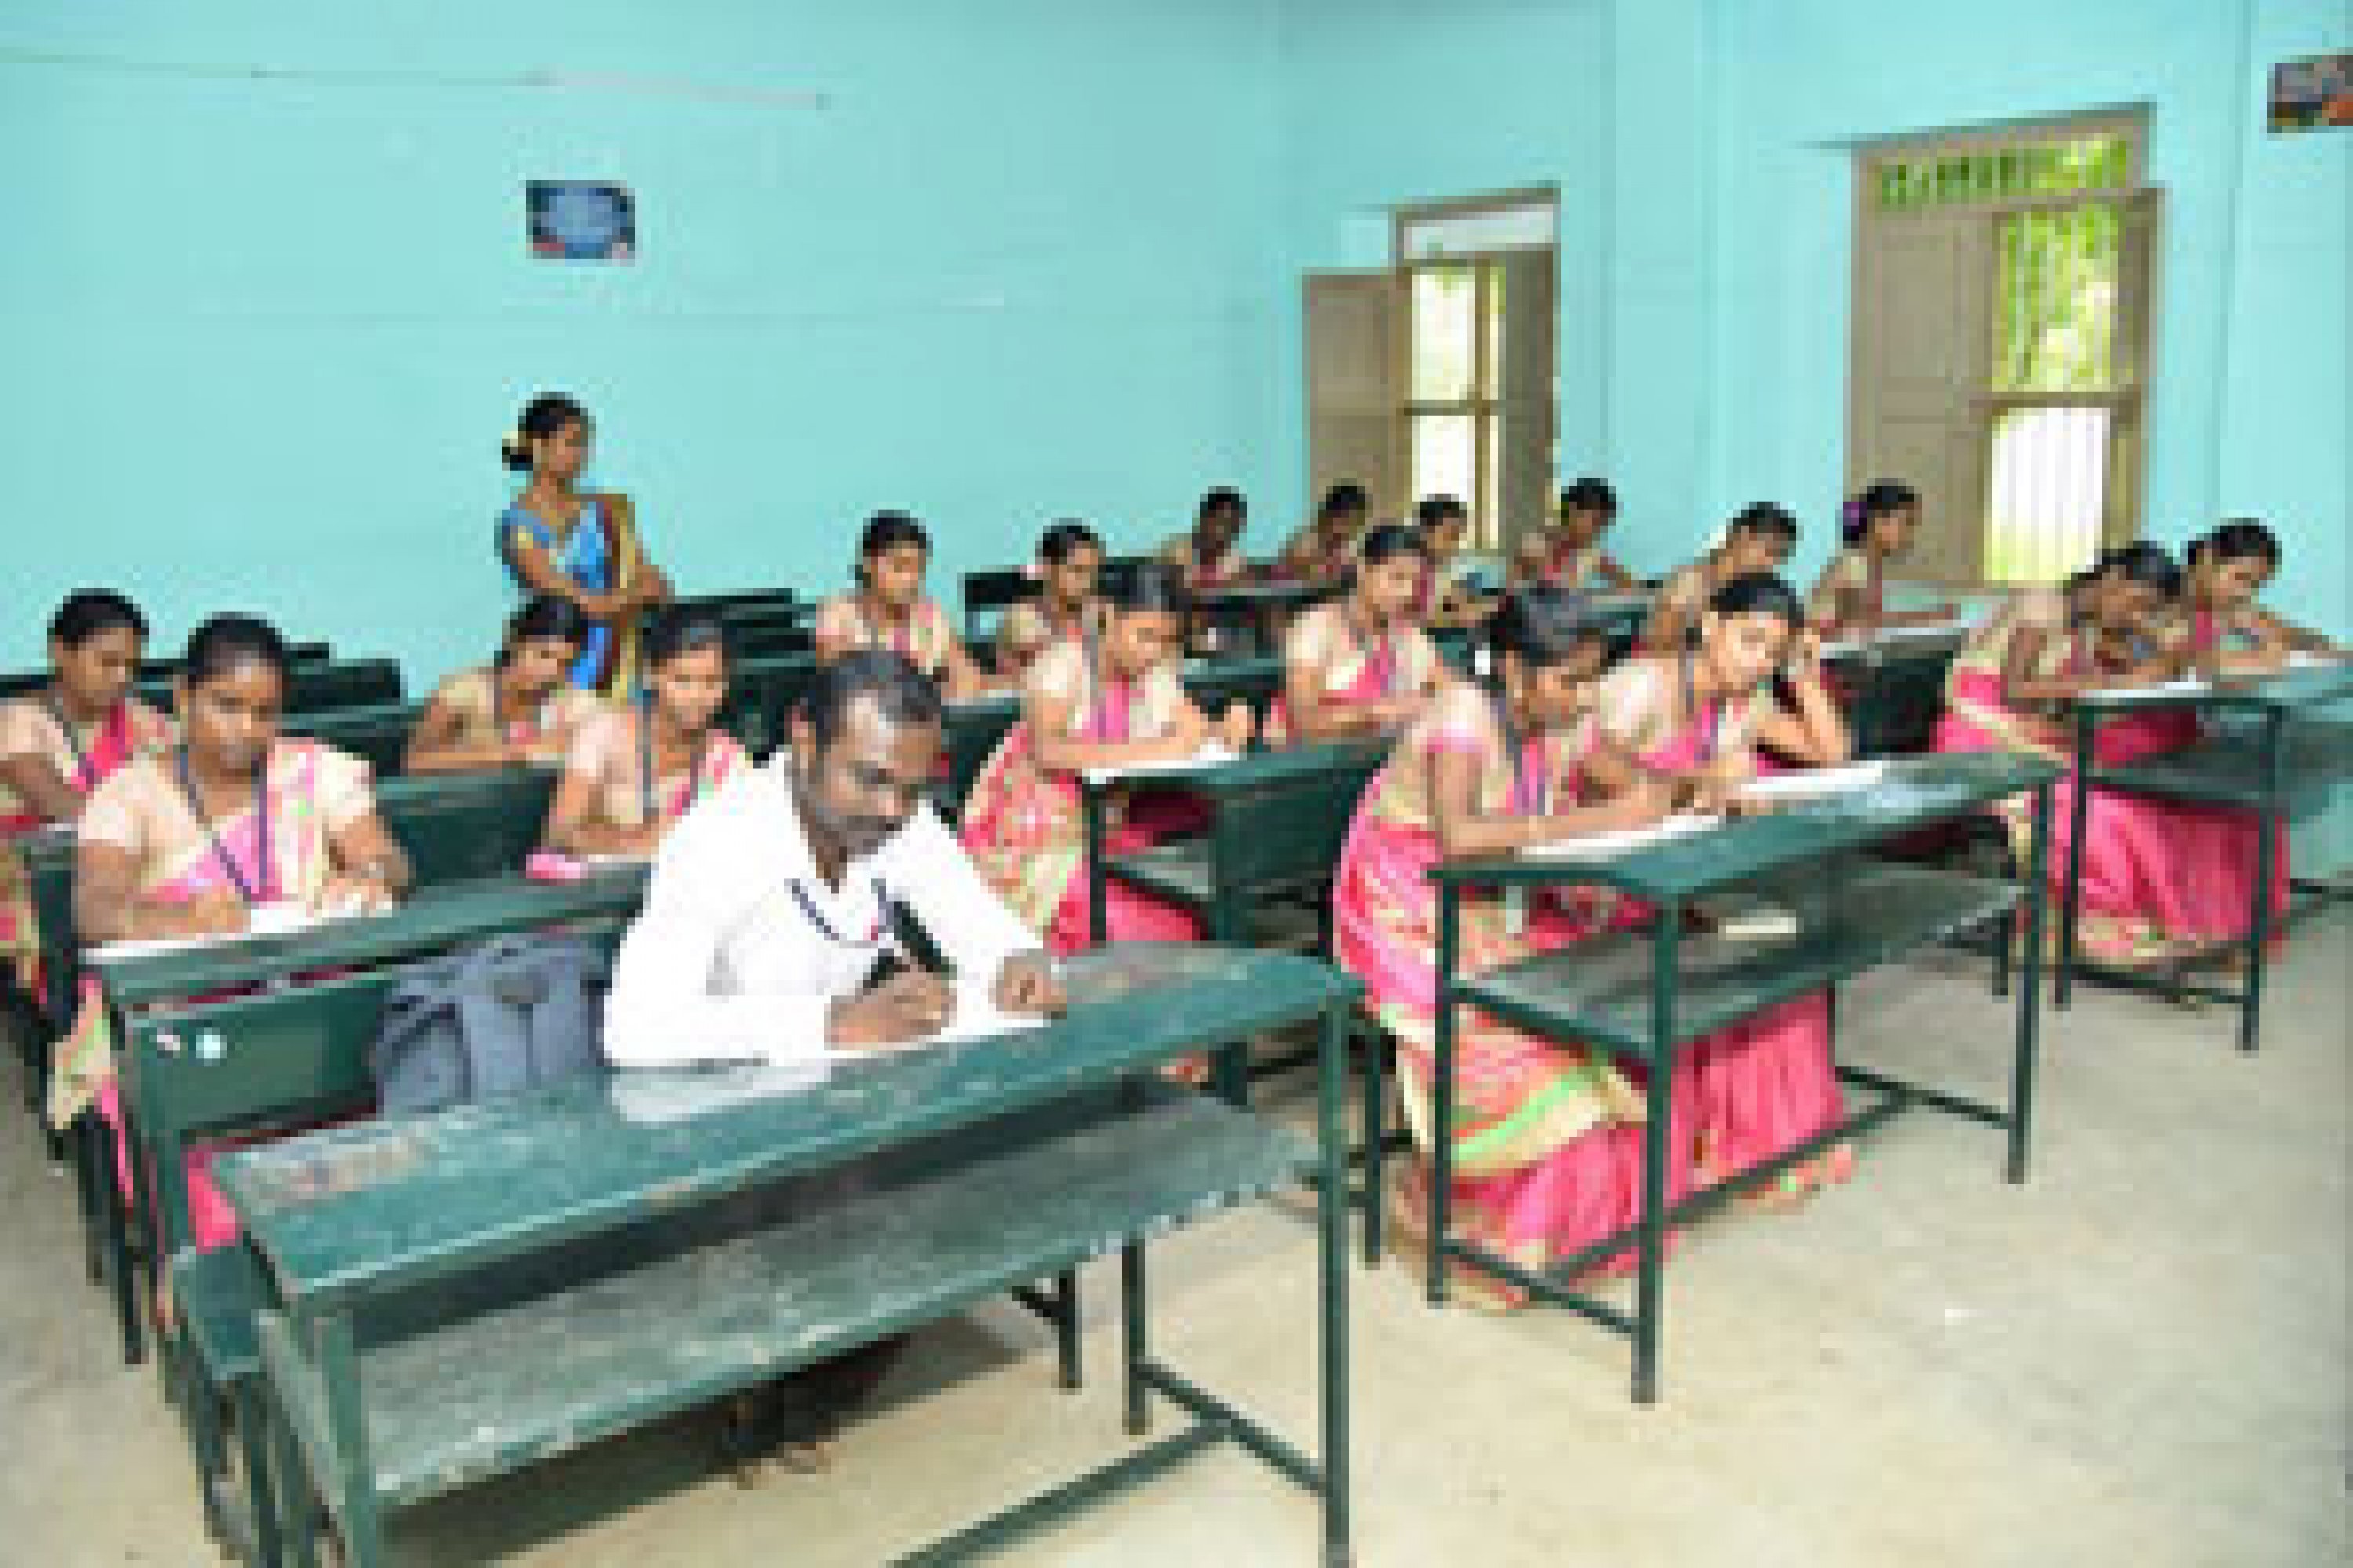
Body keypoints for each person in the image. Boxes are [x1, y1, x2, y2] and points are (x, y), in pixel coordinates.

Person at [600, 649, 1064, 1474]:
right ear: (804, 739)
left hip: (830, 1097)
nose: (892, 809)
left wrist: (1018, 961)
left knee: (947, 1169)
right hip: (713, 1107)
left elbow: (976, 920)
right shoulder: (718, 843)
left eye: (912, 789)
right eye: (871, 779)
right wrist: (832, 1023)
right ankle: (765, 1376)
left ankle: (809, 1389)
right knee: (861, 1191)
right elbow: (633, 1027)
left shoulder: (901, 823)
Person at [1333, 588, 1673, 1304]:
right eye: (1571, 680)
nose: (1585, 697)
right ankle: (1467, 1214)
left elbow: (1634, 783)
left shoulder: (1560, 715)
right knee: (1520, 1040)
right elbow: (1459, 840)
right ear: (1516, 669)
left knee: (1592, 998)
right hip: (1407, 903)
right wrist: (1601, 819)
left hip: (1492, 892)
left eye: (1592, 679)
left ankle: (1567, 1226)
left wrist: (1665, 792)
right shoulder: (1463, 715)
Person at [72, 613, 410, 1252]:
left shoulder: (314, 771)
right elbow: (95, 911)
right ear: (183, 696)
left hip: (308, 1003)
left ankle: (345, 1253)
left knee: (381, 1121)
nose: (247, 729)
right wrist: (180, 919)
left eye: (266, 712)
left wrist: (367, 875)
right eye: (226, 706)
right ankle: (211, 1267)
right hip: (186, 1019)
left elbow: (391, 861)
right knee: (218, 1191)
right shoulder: (130, 794)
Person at [1582, 573, 1853, 1204]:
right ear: (1708, 627)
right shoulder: (1642, 684)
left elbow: (1832, 753)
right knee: (1720, 956)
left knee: (1779, 961)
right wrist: (1702, 781)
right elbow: (1590, 768)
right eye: (1749, 641)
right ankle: (1709, 1136)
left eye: (1773, 652)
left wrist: (1803, 675)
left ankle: (1751, 1145)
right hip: (1609, 871)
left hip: (1683, 865)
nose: (1759, 662)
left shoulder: (1746, 701)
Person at [1932, 544, 2286, 970]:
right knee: (2102, 815)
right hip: (1980, 740)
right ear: (2113, 578)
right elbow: (2014, 691)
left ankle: (2180, 928)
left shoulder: (2085, 626)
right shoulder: (2043, 605)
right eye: (2137, 604)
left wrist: (2134, 672)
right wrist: (2104, 684)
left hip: (2028, 737)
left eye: (2148, 611)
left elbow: (2069, 691)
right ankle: (2092, 929)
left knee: (2143, 805)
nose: (2136, 618)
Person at [962, 563, 1253, 953]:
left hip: (1103, 822)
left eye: (1165, 641)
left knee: (1182, 914)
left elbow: (1191, 731)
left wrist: (1226, 729)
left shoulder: (1154, 673)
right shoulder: (1062, 665)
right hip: (1037, 836)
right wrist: (1161, 748)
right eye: (1144, 636)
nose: (1154, 652)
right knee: (1140, 931)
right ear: (1109, 616)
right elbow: (1047, 750)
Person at [0, 591, 176, 991]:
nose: (122, 678)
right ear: (59, 652)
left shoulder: (145, 723)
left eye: (131, 666)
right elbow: (57, 804)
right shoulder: (19, 722)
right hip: (33, 892)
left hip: (125, 879)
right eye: (108, 662)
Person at [496, 393, 671, 695]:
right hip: (561, 664)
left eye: (586, 444)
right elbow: (586, 606)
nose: (582, 455)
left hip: (623, 661)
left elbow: (659, 588)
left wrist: (626, 598)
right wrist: (632, 596)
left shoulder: (608, 511)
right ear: (538, 446)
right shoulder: (519, 526)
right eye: (572, 443)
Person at [541, 606, 749, 860]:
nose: (697, 696)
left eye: (712, 682)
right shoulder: (603, 734)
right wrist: (637, 842)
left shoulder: (728, 757)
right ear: (651, 675)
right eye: (682, 680)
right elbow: (558, 834)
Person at [1264, 522, 1449, 746]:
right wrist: (1378, 712)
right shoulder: (1317, 626)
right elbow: (1307, 722)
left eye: (1415, 582)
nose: (1407, 593)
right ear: (1363, 569)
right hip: (1319, 760)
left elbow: (1452, 693)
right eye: (1397, 578)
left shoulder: (1407, 635)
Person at [404, 595, 606, 773]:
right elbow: (415, 762)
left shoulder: (570, 699)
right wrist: (507, 754)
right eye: (543, 655)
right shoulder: (462, 692)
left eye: (565, 663)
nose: (550, 671)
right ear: (514, 642)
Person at [813, 512, 993, 700]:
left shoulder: (929, 616)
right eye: (899, 568)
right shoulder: (839, 616)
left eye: (918, 570)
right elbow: (847, 684)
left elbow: (967, 676)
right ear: (868, 564)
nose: (910, 580)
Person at [2168, 519, 2342, 672]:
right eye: (2240, 577)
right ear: (2207, 558)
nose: (2245, 592)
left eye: (2255, 585)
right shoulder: (2164, 600)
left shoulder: (2228, 609)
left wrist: (2314, 650)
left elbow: (2304, 639)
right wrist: (2262, 659)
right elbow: (2187, 660)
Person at [1642, 502, 1800, 653]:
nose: (1771, 563)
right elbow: (1658, 647)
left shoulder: (1756, 590)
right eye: (1769, 551)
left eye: (1779, 555)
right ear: (1741, 535)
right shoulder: (1691, 584)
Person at [1806, 481, 1956, 634]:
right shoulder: (1854, 565)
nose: (1908, 533)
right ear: (1877, 522)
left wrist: (1926, 617)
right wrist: (1926, 618)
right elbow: (1862, 624)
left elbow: (1871, 620)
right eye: (1905, 523)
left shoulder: (1869, 565)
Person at [995, 521, 1109, 678]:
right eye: (1077, 570)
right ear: (1047, 567)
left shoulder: (1097, 614)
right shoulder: (1024, 618)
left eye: (1093, 573)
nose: (1087, 581)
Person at [1511, 478, 1635, 593]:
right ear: (1572, 511)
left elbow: (1629, 584)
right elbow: (1512, 591)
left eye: (1602, 522)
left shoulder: (1592, 556)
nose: (1597, 529)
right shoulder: (1536, 547)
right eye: (1594, 520)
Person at [1410, 495, 1498, 630]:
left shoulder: (1464, 567)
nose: (1453, 543)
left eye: (1456, 535)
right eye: (1448, 535)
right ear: (1426, 532)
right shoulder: (1410, 569)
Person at [1274, 482, 1371, 584]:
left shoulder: (1350, 556)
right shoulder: (1305, 545)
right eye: (1341, 517)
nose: (1343, 526)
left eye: (1352, 520)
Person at [1156, 487, 1251, 591]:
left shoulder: (1236, 567)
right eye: (1219, 519)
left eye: (1231, 523)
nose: (1223, 529)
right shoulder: (1174, 551)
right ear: (1204, 518)